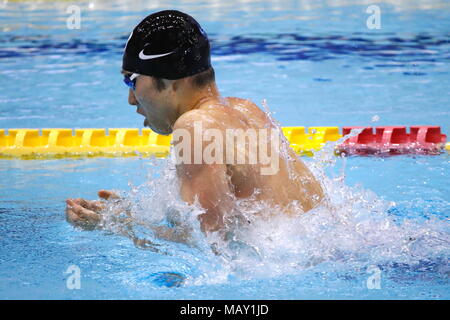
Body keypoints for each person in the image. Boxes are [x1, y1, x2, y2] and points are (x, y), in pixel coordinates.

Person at [65, 10, 324, 241]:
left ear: (170, 80)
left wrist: (120, 226)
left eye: (131, 81)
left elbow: (215, 243)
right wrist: (133, 212)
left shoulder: (194, 126)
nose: (131, 98)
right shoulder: (246, 109)